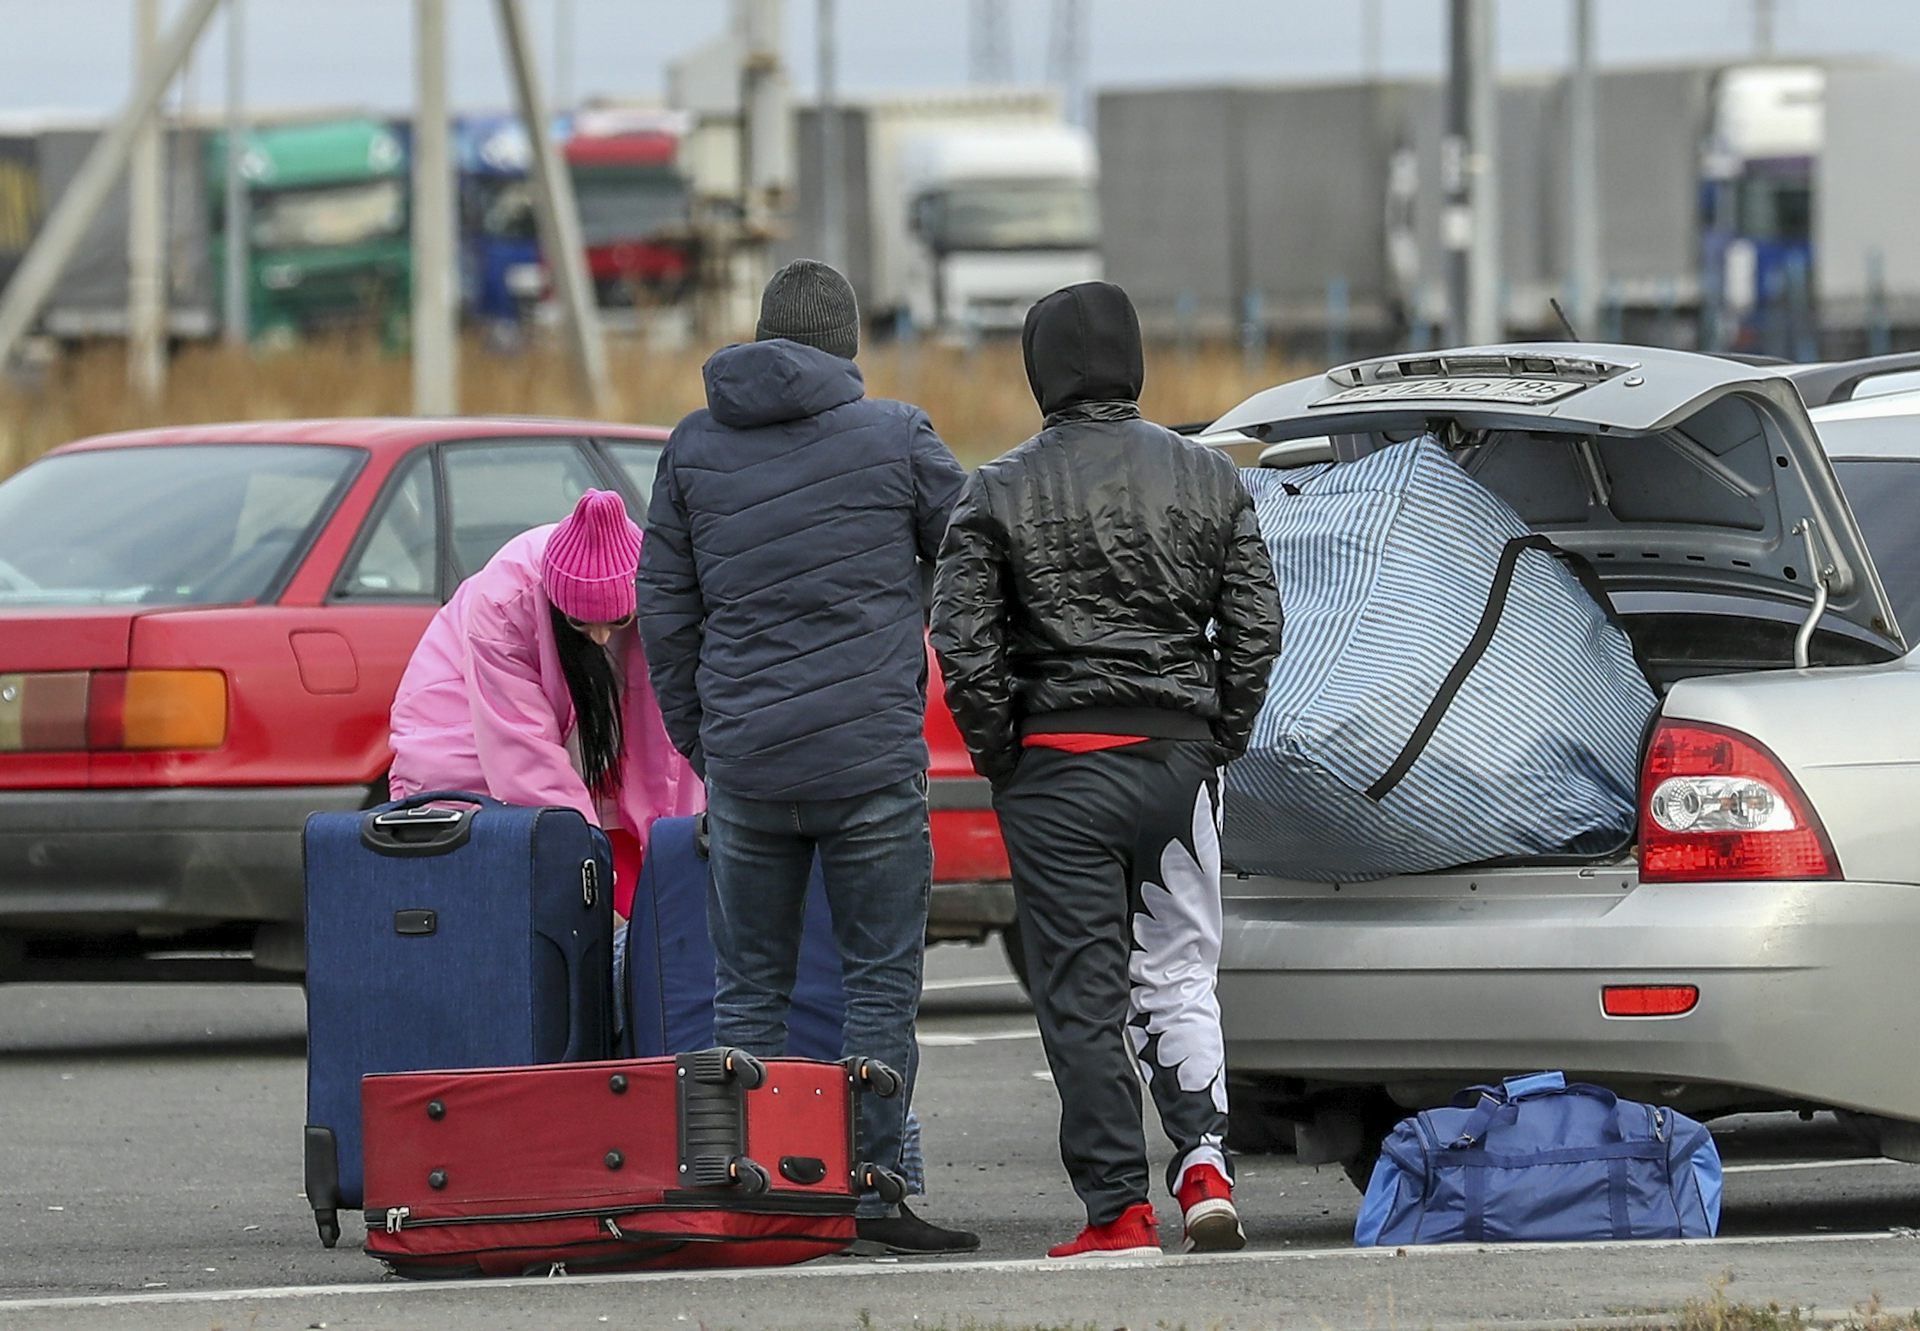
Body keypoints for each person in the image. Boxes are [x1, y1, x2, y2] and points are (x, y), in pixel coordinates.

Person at [929, 280, 1282, 1259]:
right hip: (1176, 758)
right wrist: (1218, 734)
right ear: (1132, 362)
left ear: (1041, 369)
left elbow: (961, 642)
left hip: (1058, 768)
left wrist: (1006, 753)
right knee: (1180, 970)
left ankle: (1118, 1210)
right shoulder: (1209, 475)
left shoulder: (995, 487)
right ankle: (1206, 1162)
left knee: (1081, 993)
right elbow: (1257, 623)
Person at [637, 259, 977, 1256]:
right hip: (871, 759)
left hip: (747, 767)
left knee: (748, 986)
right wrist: (913, 652)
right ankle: (869, 1191)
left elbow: (664, 607)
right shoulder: (898, 434)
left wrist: (707, 737)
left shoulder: (694, 445)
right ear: (845, 344)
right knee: (878, 982)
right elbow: (972, 558)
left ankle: (762, 1191)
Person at [388, 489, 702, 922]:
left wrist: (677, 859)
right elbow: (521, 756)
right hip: (463, 725)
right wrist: (584, 865)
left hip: (586, 735)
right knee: (521, 868)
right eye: (580, 623)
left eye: (616, 622)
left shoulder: (662, 592)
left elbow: (667, 749)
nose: (600, 637)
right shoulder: (503, 601)